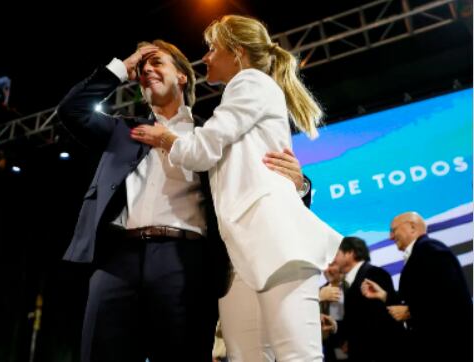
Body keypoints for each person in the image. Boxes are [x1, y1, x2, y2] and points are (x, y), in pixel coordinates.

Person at [56, 38, 310, 361]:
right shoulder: (123, 130)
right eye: (142, 68)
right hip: (117, 259)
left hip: (185, 261)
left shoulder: (214, 135)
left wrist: (298, 186)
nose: (147, 70)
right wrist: (124, 65)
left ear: (182, 76)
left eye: (157, 62)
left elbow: (258, 184)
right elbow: (70, 110)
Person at [131, 15, 342, 361]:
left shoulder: (249, 82)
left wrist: (165, 138)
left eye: (213, 48)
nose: (206, 57)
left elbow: (201, 150)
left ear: (238, 52)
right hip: (237, 255)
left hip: (275, 242)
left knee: (296, 356)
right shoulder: (238, 99)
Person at [361, 212, 473, 362]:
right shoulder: (421, 252)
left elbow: (451, 297)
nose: (390, 237)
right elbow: (421, 297)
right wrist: (385, 296)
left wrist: (412, 312)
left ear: (412, 227)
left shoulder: (430, 249)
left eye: (393, 230)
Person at [333, 237, 406, 362]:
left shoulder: (374, 274)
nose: (333, 259)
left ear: (350, 253)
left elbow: (381, 318)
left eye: (336, 253)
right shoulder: (345, 282)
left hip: (378, 353)